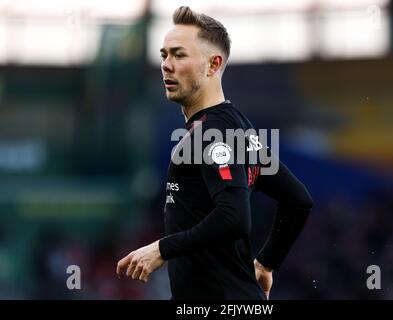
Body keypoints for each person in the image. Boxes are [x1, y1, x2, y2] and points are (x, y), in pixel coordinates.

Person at [116, 6, 313, 300]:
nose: (166, 65)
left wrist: (161, 248)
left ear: (212, 65)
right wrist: (266, 263)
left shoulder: (213, 132)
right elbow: (297, 200)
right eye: (164, 55)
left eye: (179, 55)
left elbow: (234, 216)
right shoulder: (236, 125)